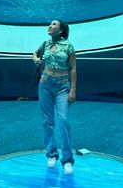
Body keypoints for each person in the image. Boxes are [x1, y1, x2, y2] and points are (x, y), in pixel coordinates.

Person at [33, 19, 76, 175]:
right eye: (50, 24)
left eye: (54, 24)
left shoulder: (69, 46)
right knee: (47, 121)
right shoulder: (45, 43)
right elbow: (35, 53)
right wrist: (35, 59)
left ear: (61, 30)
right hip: (44, 83)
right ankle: (51, 154)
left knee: (63, 120)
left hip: (62, 85)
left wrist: (73, 90)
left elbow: (72, 69)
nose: (50, 26)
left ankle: (67, 160)